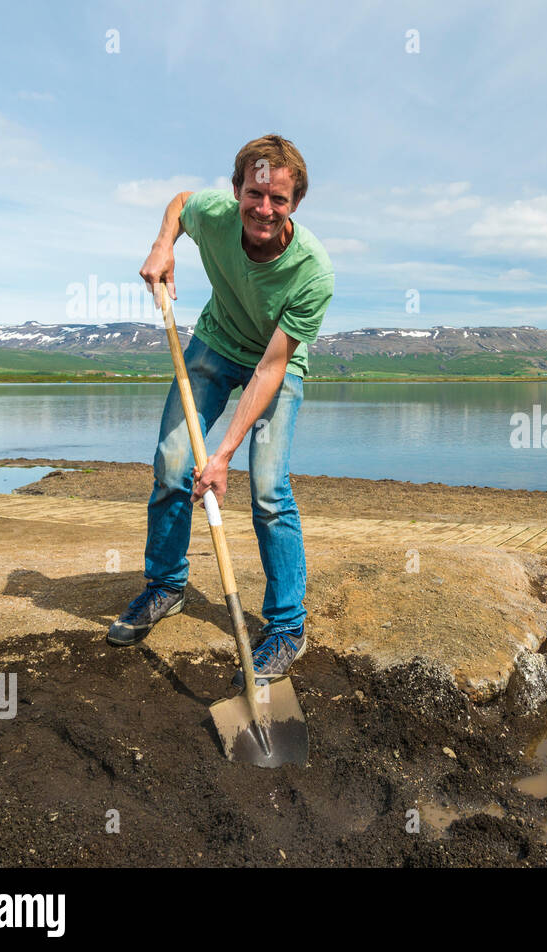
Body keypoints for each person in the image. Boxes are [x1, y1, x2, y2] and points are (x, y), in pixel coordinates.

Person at [107, 134, 334, 690]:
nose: (264, 208)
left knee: (267, 488)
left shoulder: (313, 272)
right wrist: (164, 245)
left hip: (274, 366)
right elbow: (182, 202)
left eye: (278, 199)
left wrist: (225, 454)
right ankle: (166, 586)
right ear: (237, 191)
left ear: (295, 204)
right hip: (214, 345)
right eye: (255, 193)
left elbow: (270, 369)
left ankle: (286, 627)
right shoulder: (213, 213)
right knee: (172, 461)